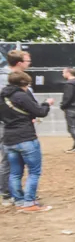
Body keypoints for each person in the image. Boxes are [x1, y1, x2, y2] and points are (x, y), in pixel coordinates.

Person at [1, 69, 53, 213]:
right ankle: (29, 203)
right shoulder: (21, 96)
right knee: (34, 172)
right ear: (24, 83)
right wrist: (47, 104)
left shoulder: (2, 96)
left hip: (9, 139)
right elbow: (40, 112)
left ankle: (19, 201)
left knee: (15, 172)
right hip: (26, 137)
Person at [0, 49, 31, 208]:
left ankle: (16, 192)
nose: (29, 64)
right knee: (8, 159)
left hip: (19, 124)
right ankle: (6, 193)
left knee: (18, 160)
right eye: (27, 61)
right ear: (19, 63)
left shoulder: (19, 77)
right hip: (7, 124)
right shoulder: (4, 78)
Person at [60, 67, 75, 153]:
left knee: (71, 128)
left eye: (63, 72)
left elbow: (67, 97)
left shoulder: (69, 84)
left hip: (70, 108)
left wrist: (63, 105)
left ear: (68, 73)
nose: (62, 74)